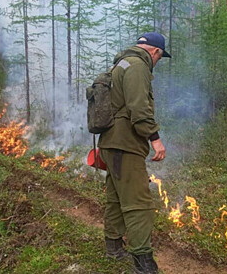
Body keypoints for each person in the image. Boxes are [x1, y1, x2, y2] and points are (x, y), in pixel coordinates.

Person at [98, 32, 170, 274]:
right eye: (160, 58)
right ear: (155, 51)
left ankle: (114, 247)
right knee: (139, 203)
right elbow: (138, 107)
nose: (158, 63)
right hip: (125, 145)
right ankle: (143, 263)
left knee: (116, 198)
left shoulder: (121, 63)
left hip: (110, 143)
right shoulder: (138, 66)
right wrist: (155, 138)